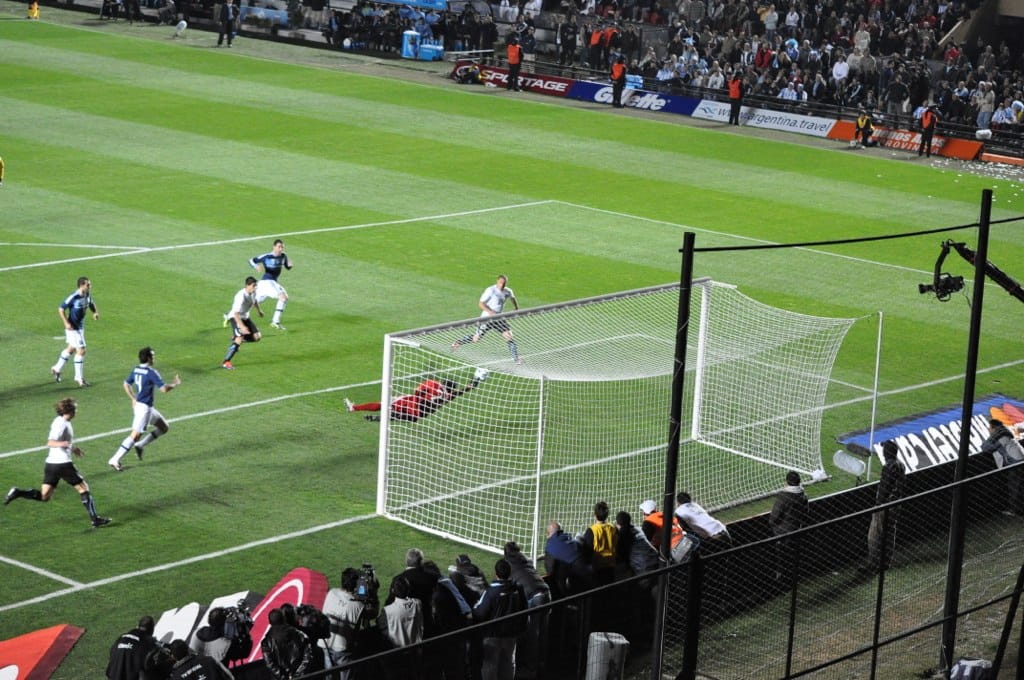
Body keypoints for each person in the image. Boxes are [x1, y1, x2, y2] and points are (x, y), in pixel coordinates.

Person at [4, 398, 111, 529]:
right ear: (70, 411)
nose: (76, 411)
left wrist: (73, 448)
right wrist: (65, 444)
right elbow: (50, 442)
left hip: (51, 464)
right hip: (63, 464)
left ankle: (18, 492)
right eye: (75, 409)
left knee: (44, 496)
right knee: (83, 489)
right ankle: (95, 519)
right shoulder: (62, 425)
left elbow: (63, 442)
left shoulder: (60, 421)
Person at [108, 347, 181, 471]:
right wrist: (175, 383)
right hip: (144, 410)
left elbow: (126, 383)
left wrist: (133, 398)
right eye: (153, 356)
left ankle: (140, 445)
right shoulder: (151, 372)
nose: (154, 358)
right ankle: (115, 459)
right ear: (148, 358)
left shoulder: (136, 369)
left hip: (144, 407)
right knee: (135, 435)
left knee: (164, 427)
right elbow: (164, 389)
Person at [345, 372, 485, 422]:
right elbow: (464, 390)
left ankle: (355, 408)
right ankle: (382, 418)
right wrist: (474, 382)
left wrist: (420, 396)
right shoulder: (449, 395)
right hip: (420, 415)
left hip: (413, 403)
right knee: (400, 415)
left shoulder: (434, 383)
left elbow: (417, 391)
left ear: (443, 382)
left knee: (384, 403)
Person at [503, 541, 550, 680]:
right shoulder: (526, 559)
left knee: (532, 635)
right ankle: (541, 664)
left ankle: (531, 670)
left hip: (535, 598)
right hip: (547, 594)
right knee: (543, 632)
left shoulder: (508, 564)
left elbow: (505, 585)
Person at [472, 559, 526, 680]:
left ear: (495, 573)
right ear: (510, 572)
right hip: (511, 634)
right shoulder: (518, 588)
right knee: (508, 664)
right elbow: (524, 610)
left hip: (493, 635)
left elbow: (479, 613)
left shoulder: (491, 591)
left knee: (490, 666)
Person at [322, 567, 377, 680]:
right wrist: (374, 594)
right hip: (343, 650)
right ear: (356, 585)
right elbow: (373, 614)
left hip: (326, 645)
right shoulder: (358, 605)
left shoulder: (331, 593)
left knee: (329, 677)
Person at [451, 275, 521, 364]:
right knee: (476, 339)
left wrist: (516, 308)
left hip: (498, 319)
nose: (502, 285)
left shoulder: (508, 291)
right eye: (500, 283)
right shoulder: (490, 290)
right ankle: (458, 342)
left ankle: (516, 359)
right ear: (497, 281)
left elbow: (513, 298)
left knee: (509, 336)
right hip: (486, 319)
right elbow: (481, 304)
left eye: (504, 284)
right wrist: (490, 312)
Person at [51, 276, 99, 387]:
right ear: (82, 285)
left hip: (80, 327)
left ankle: (56, 368)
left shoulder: (86, 294)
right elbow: (61, 309)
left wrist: (95, 312)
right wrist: (66, 323)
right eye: (88, 284)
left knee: (71, 348)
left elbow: (91, 303)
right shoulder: (74, 296)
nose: (90, 286)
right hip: (73, 328)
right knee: (81, 350)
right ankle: (78, 378)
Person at [865, 440, 905, 572]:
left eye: (884, 450)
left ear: (887, 452)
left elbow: (884, 489)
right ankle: (885, 562)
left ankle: (873, 564)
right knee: (889, 534)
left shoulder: (888, 467)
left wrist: (878, 505)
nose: (882, 452)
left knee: (874, 536)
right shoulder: (901, 465)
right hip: (896, 505)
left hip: (885, 506)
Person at [376, 577, 423, 677]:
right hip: (416, 652)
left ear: (392, 590)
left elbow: (379, 625)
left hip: (398, 656)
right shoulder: (417, 603)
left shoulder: (388, 611)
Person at [769, 471, 808, 583]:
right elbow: (806, 513)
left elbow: (774, 517)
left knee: (781, 552)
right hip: (798, 529)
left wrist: (773, 524)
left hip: (783, 532)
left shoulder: (783, 497)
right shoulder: (803, 495)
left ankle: (780, 575)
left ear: (786, 482)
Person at [246, 239, 293, 330]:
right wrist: (256, 266)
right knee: (283, 298)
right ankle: (275, 322)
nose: (281, 249)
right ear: (274, 247)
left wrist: (290, 266)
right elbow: (251, 260)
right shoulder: (266, 256)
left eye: (282, 247)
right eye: (279, 247)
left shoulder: (283, 256)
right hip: (268, 282)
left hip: (267, 283)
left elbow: (287, 267)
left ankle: (230, 314)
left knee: (253, 302)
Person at [980, 418, 1024, 516]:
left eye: (989, 428)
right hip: (1019, 462)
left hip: (1015, 464)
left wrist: (990, 439)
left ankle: (1014, 510)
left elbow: (986, 447)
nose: (988, 430)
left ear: (994, 428)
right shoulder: (1005, 433)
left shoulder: (1001, 437)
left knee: (1014, 488)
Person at [222, 276, 263, 370]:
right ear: (247, 285)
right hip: (235, 317)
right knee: (239, 337)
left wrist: (259, 310)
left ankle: (236, 339)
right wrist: (242, 326)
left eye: (256, 285)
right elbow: (235, 313)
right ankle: (226, 362)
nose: (255, 287)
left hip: (245, 317)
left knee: (257, 337)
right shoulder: (240, 296)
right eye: (253, 285)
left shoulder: (253, 292)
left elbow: (255, 301)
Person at [262, 608, 314, 680]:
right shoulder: (300, 635)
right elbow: (308, 657)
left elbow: (270, 664)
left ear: (270, 622)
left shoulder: (266, 642)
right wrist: (298, 675)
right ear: (284, 619)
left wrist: (283, 677)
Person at [543, 520, 588, 597]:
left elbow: (550, 569)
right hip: (587, 574)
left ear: (549, 534)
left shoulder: (550, 546)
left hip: (577, 580)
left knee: (556, 577)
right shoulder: (569, 538)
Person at [579, 500, 617, 586]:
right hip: (611, 565)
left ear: (594, 514)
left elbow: (587, 551)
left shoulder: (591, 530)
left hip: (598, 567)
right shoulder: (613, 528)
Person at [106, 616, 157, 680]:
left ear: (138, 626)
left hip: (113, 674)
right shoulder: (147, 640)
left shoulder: (122, 637)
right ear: (152, 629)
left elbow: (112, 653)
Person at [166, 639, 233, 680]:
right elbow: (229, 676)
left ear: (173, 657)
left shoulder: (176, 677)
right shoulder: (208, 660)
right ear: (188, 649)